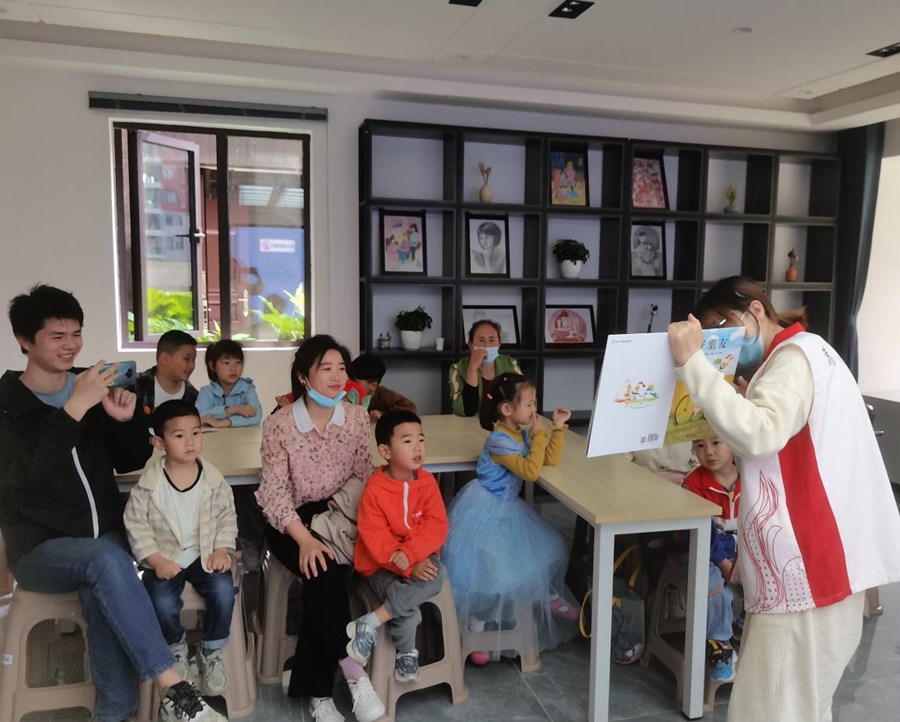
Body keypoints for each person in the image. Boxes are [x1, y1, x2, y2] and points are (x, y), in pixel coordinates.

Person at [667, 275, 900, 721]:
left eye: (722, 329)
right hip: (822, 563)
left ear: (755, 310)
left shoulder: (794, 359)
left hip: (807, 571)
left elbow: (761, 433)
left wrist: (692, 363)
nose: (722, 344)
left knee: (770, 708)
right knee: (801, 705)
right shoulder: (808, 352)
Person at [0, 284, 223, 722]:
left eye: (76, 334)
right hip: (40, 548)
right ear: (25, 340)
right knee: (106, 563)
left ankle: (115, 712)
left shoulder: (91, 385)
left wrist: (124, 422)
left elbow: (131, 459)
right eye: (57, 336)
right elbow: (19, 483)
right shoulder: (7, 404)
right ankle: (175, 688)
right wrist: (72, 411)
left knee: (103, 575)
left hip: (106, 541)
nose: (71, 345)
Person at [256, 334, 385, 722]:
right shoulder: (280, 424)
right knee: (324, 572)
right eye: (325, 368)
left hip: (339, 513)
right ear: (303, 377)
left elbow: (363, 473)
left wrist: (343, 519)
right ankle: (353, 672)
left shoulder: (357, 418)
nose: (336, 376)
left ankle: (318, 692)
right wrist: (305, 539)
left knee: (322, 584)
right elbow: (274, 493)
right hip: (290, 520)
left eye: (341, 368)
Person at [442, 372, 578, 665]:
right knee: (489, 573)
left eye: (534, 403)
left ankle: (545, 595)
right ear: (507, 409)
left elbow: (548, 460)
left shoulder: (520, 433)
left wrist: (557, 429)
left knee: (547, 548)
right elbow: (531, 472)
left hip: (508, 508)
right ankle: (475, 630)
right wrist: (539, 435)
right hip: (485, 510)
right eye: (529, 404)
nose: (534, 410)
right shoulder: (499, 441)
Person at [123, 400, 238, 697]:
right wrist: (154, 559)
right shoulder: (148, 486)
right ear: (160, 443)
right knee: (160, 601)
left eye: (196, 433)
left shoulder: (214, 480)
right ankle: (175, 646)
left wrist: (222, 549)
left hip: (205, 553)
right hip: (164, 556)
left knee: (224, 591)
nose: (190, 442)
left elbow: (227, 517)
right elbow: (136, 525)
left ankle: (211, 651)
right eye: (179, 435)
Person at [346, 410, 448, 683]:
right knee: (407, 606)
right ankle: (407, 652)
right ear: (385, 451)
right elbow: (375, 537)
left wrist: (412, 556)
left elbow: (436, 525)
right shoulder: (375, 489)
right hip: (379, 565)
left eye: (421, 439)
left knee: (439, 574)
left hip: (418, 558)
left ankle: (370, 622)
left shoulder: (427, 483)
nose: (418, 447)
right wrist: (405, 564)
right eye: (407, 440)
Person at [682, 435, 741, 682]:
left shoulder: (750, 478)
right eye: (700, 445)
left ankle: (743, 625)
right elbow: (698, 534)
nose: (708, 452)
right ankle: (720, 643)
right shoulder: (693, 484)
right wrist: (724, 563)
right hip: (703, 554)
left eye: (716, 443)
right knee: (713, 584)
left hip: (742, 554)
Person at [449, 319, 521, 417]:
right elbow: (463, 410)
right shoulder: (458, 369)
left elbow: (527, 398)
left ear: (499, 344)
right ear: (470, 345)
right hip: (470, 423)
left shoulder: (510, 364)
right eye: (481, 340)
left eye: (492, 340)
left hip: (503, 421)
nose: (487, 345)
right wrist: (472, 369)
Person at [196, 339, 262, 428]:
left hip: (242, 436)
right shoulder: (206, 392)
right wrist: (232, 410)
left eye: (238, 362)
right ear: (212, 366)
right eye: (227, 363)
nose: (233, 368)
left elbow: (257, 415)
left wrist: (223, 423)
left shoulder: (247, 389)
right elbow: (198, 417)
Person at [134, 329, 199, 417]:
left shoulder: (194, 397)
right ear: (165, 359)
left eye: (193, 360)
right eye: (186, 359)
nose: (192, 365)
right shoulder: (135, 387)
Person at [347, 353, 417, 421]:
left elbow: (410, 407)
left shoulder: (382, 394)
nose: (350, 384)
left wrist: (383, 415)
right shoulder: (346, 393)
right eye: (349, 380)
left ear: (373, 386)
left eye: (355, 382)